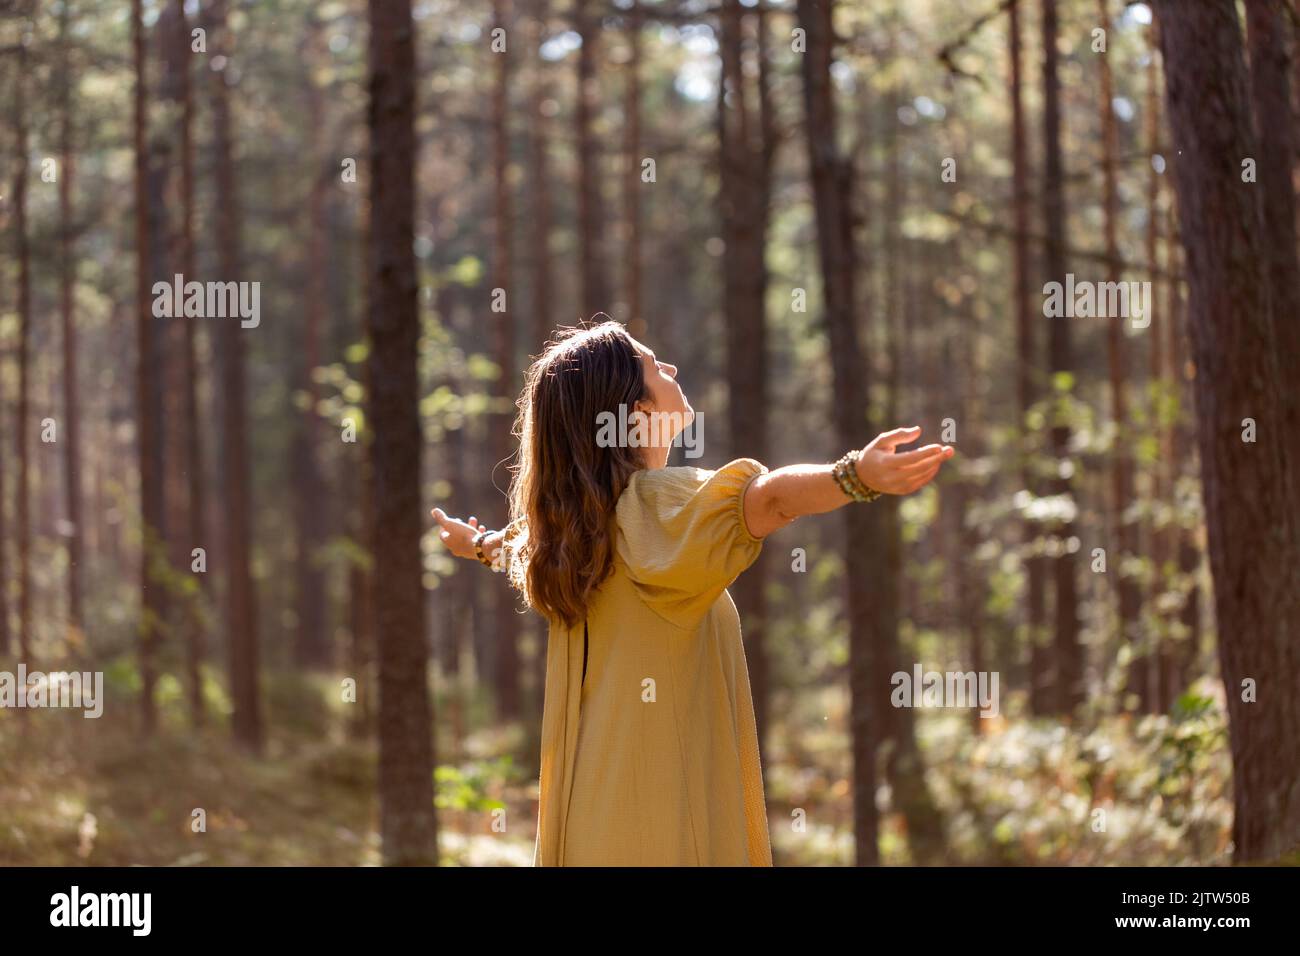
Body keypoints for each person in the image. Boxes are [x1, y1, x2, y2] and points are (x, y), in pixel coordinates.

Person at [432, 320, 954, 866]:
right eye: (654, 367)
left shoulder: (568, 538)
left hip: (591, 824)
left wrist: (478, 544)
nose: (672, 370)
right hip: (661, 832)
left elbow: (514, 549)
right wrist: (853, 476)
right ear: (633, 412)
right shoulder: (654, 505)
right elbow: (769, 499)